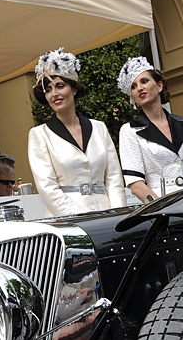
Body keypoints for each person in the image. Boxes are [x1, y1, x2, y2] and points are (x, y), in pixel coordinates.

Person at [27, 48, 126, 216]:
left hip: (108, 217)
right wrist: (82, 220)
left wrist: (117, 215)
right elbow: (47, 188)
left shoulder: (99, 128)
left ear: (74, 89)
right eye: (48, 89)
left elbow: (114, 178)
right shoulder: (39, 134)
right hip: (68, 220)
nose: (54, 94)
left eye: (60, 86)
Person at [116, 57, 183, 202]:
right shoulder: (129, 131)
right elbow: (136, 185)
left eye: (144, 81)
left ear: (159, 85)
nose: (139, 88)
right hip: (164, 204)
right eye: (133, 86)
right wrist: (164, 209)